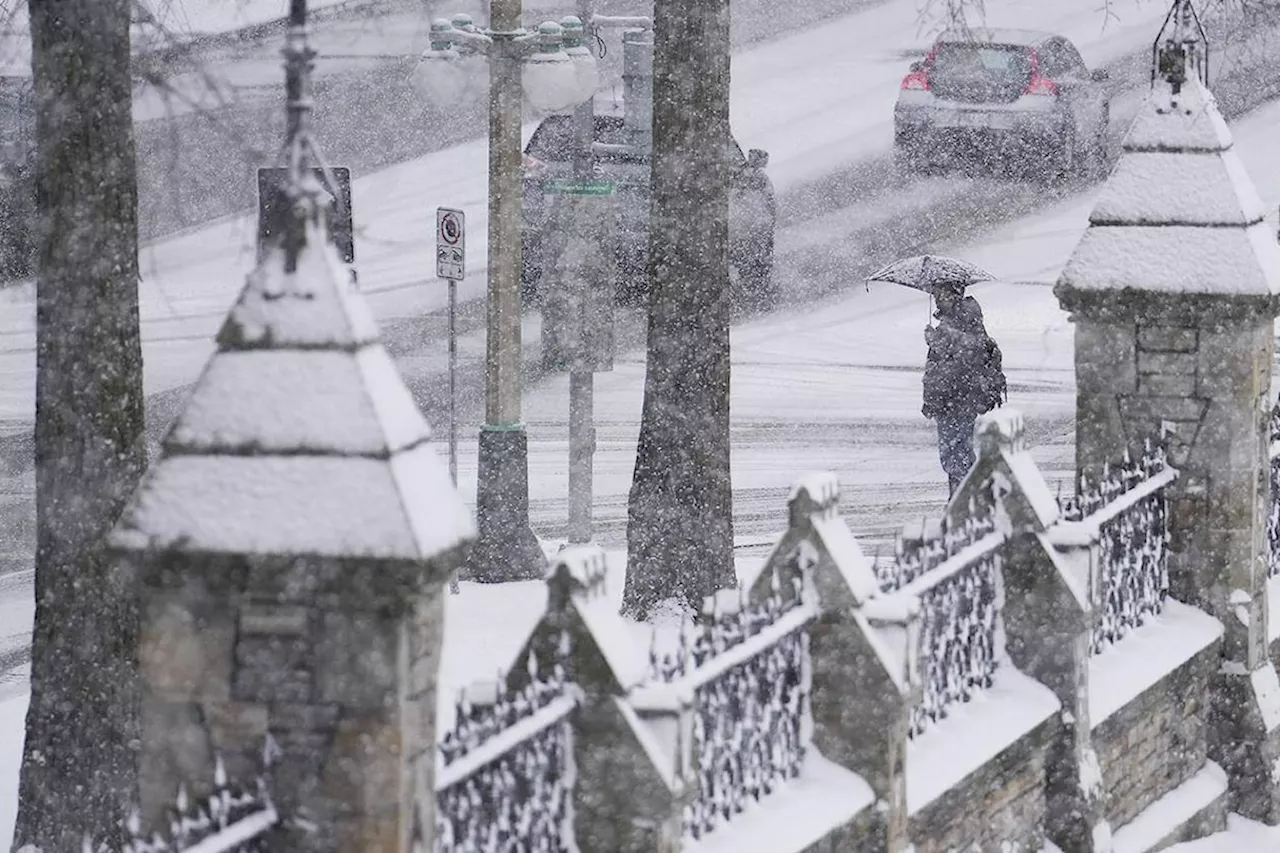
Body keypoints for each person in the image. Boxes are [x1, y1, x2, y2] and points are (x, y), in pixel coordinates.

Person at [921, 284, 1007, 496]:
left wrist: (942, 340)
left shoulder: (965, 318)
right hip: (949, 399)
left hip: (958, 397)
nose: (939, 299)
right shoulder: (950, 322)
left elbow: (970, 355)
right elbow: (937, 367)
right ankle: (963, 499)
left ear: (956, 295)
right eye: (936, 295)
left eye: (943, 294)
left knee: (956, 452)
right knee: (954, 452)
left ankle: (966, 500)